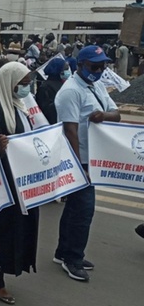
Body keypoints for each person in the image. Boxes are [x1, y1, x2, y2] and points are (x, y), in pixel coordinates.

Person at [54, 45, 120, 282]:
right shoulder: (71, 92)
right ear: (80, 65)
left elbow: (116, 113)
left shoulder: (97, 85)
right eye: (95, 66)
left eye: (103, 65)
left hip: (94, 158)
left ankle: (63, 252)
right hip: (79, 160)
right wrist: (78, 167)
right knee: (84, 211)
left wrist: (104, 115)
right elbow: (70, 131)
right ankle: (73, 259)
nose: (100, 70)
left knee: (74, 208)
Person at [0, 62, 35, 303]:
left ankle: (0, 271)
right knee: (2, 230)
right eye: (21, 84)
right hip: (5, 181)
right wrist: (0, 149)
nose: (26, 88)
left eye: (27, 83)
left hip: (21, 178)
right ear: (9, 83)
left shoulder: (18, 105)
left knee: (17, 228)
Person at [37, 58, 70, 125]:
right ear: (59, 70)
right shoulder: (45, 87)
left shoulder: (63, 84)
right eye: (66, 69)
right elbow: (45, 109)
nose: (68, 72)